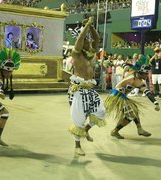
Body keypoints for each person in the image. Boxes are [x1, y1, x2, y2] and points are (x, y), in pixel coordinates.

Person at [68, 17, 106, 156]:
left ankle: (86, 130)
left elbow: (96, 39)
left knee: (100, 112)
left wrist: (91, 27)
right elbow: (79, 41)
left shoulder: (91, 55)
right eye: (86, 41)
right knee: (79, 118)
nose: (90, 43)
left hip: (90, 89)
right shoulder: (76, 54)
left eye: (89, 41)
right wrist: (86, 27)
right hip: (78, 90)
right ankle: (77, 146)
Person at [105, 58, 160, 139]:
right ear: (141, 73)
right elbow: (148, 93)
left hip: (117, 95)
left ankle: (139, 129)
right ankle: (115, 131)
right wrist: (156, 103)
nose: (147, 76)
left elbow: (124, 64)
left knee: (135, 109)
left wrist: (122, 64)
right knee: (131, 115)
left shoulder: (131, 71)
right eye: (146, 74)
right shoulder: (138, 81)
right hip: (118, 96)